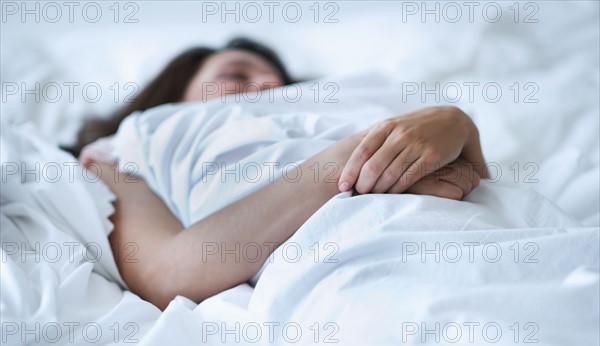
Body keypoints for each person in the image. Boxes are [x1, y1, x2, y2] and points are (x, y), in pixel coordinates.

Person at [76, 37, 488, 310]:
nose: (266, 87)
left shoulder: (354, 106)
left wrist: (460, 126)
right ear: (176, 92)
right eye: (236, 76)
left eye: (279, 83)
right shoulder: (127, 146)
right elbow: (166, 272)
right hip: (376, 281)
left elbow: (479, 189)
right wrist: (354, 164)